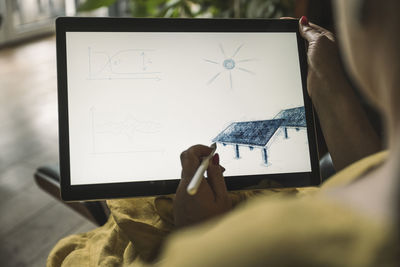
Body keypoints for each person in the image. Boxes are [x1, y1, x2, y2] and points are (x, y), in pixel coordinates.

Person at [47, 0, 399, 266]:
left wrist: (198, 234)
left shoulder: (229, 253)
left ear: (361, 16)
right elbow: (372, 174)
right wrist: (330, 88)